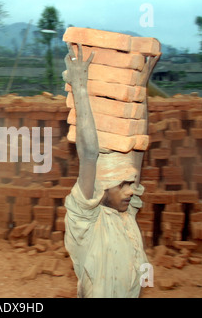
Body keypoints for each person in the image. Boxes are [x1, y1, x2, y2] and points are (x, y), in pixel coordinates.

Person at [62, 43, 159, 298]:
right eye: (122, 185)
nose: (130, 191)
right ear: (102, 188)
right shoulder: (86, 222)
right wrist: (80, 87)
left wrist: (139, 90)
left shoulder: (126, 216)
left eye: (130, 184)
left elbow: (138, 148)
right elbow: (88, 156)